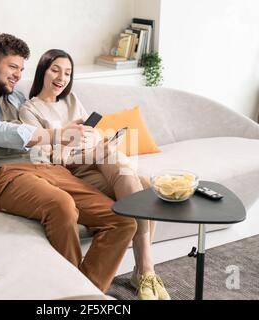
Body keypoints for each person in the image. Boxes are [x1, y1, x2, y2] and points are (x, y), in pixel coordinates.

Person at [0, 33, 137, 293]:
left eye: (21, 69)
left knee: (123, 220)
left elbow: (42, 135)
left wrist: (68, 134)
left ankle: (81, 294)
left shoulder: (16, 98)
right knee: (62, 205)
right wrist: (58, 134)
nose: (17, 75)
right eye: (12, 67)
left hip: (46, 169)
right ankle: (74, 293)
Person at [19, 49, 171, 300]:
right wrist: (71, 138)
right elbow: (45, 158)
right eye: (55, 70)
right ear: (43, 71)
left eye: (67, 72)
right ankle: (145, 270)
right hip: (71, 169)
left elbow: (92, 135)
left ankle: (144, 269)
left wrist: (98, 138)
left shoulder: (72, 100)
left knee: (124, 168)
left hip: (97, 157)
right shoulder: (30, 109)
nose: (62, 77)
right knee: (141, 183)